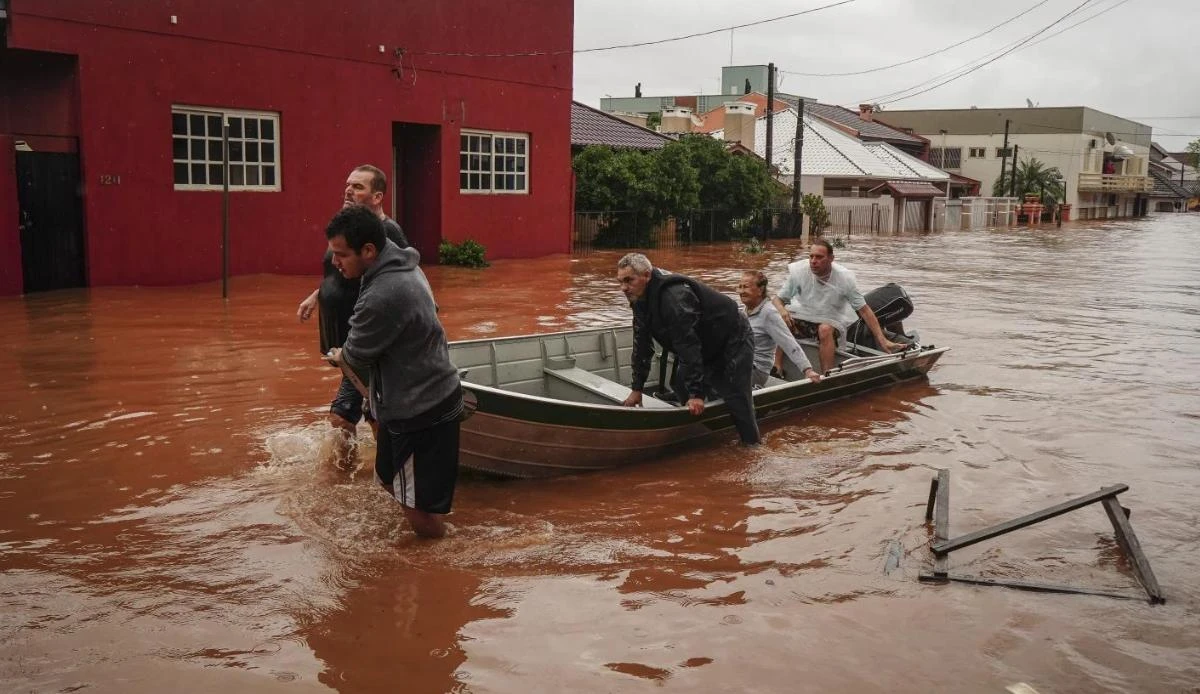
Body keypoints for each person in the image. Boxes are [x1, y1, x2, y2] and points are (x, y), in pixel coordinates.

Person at [324, 205, 461, 539]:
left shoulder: (384, 294)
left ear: (369, 250)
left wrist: (341, 354)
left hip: (421, 410)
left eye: (341, 255)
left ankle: (439, 559)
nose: (334, 263)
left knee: (415, 508)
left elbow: (355, 355)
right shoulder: (401, 262)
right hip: (412, 399)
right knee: (387, 479)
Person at [296, 165, 409, 451]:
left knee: (343, 418)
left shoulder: (387, 232)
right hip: (349, 339)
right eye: (348, 184)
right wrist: (317, 296)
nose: (348, 190)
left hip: (367, 341)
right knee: (371, 406)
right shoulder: (348, 228)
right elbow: (339, 271)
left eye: (358, 187)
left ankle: (363, 477)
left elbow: (402, 278)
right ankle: (384, 467)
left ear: (378, 196)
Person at [616, 253, 760, 445]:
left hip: (733, 339)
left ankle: (752, 448)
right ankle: (702, 435)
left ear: (647, 276)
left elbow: (687, 344)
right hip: (704, 343)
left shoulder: (674, 297)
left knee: (736, 396)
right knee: (680, 384)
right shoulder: (639, 298)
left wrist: (697, 395)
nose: (624, 288)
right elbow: (641, 344)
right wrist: (637, 389)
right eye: (620, 282)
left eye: (629, 280)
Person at [771, 239, 902, 373]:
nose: (813, 261)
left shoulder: (844, 279)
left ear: (831, 259)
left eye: (819, 257)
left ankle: (827, 374)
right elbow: (777, 299)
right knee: (781, 319)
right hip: (803, 316)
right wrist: (781, 310)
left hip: (830, 321)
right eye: (811, 256)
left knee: (825, 329)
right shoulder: (799, 272)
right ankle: (777, 367)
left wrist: (882, 340)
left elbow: (864, 310)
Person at [737, 270, 821, 387]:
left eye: (745, 287)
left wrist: (807, 369)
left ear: (760, 290)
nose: (741, 291)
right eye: (739, 287)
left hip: (757, 370)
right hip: (741, 363)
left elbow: (789, 342)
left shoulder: (769, 313)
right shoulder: (744, 311)